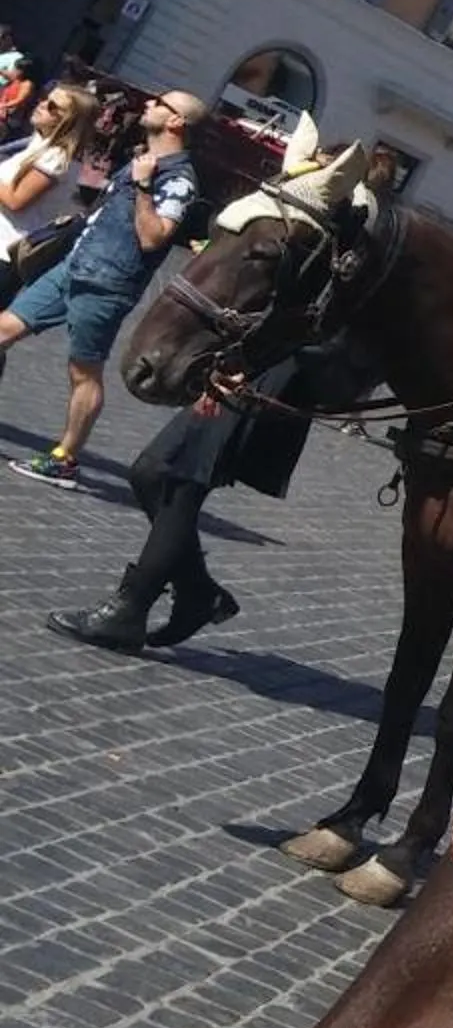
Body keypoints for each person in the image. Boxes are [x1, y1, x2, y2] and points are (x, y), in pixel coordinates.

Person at [46, 342, 361, 651]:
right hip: (261, 360)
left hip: (279, 370)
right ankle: (195, 593)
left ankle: (131, 610)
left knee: (173, 474)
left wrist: (251, 359)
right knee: (155, 474)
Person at [0, 87, 203, 487]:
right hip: (73, 266)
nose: (149, 104)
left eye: (159, 103)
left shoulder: (180, 179)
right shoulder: (142, 159)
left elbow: (154, 238)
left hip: (107, 283)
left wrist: (144, 187)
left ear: (177, 121)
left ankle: (66, 458)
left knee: (83, 371)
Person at [0, 80, 96, 320]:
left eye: (53, 107)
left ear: (70, 120)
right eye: (45, 98)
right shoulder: (40, 143)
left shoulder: (56, 158)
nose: (42, 105)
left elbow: (15, 200)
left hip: (5, 250)